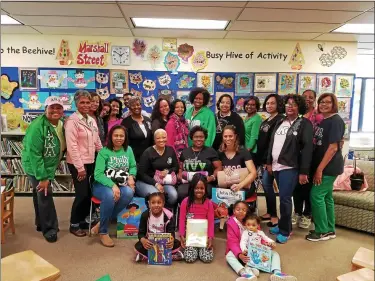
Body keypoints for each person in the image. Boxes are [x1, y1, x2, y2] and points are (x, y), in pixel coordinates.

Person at [266, 94, 313, 244]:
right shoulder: (280, 121)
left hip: (290, 167)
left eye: (293, 104)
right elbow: (272, 142)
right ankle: (281, 225)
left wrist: (304, 171)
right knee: (282, 197)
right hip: (276, 165)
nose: (290, 107)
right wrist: (269, 162)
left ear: (299, 107)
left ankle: (286, 230)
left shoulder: (304, 123)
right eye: (287, 104)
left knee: (285, 198)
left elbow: (307, 149)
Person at [21, 96, 66, 243]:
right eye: (52, 107)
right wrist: (43, 178)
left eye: (58, 107)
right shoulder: (37, 127)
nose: (55, 110)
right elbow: (35, 155)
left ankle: (41, 224)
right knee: (45, 195)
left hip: (47, 165)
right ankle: (50, 230)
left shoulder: (61, 123)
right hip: (36, 167)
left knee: (39, 195)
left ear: (63, 110)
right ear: (45, 109)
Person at [306, 93, 345, 242]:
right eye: (321, 102)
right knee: (327, 197)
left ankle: (321, 231)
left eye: (327, 102)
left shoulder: (335, 121)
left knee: (316, 195)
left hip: (329, 167)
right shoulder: (324, 120)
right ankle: (330, 229)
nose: (323, 104)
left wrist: (319, 169)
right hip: (325, 166)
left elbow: (333, 148)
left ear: (334, 104)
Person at [226, 201, 297, 281]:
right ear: (234, 211)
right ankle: (245, 274)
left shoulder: (253, 220)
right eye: (238, 209)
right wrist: (239, 254)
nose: (241, 212)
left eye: (244, 210)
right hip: (241, 249)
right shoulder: (231, 223)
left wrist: (268, 244)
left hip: (255, 248)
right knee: (229, 256)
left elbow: (261, 237)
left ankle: (277, 273)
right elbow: (232, 242)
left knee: (275, 254)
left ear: (247, 211)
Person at [90, 125, 136, 247]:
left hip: (121, 183)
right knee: (110, 195)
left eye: (121, 135)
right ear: (110, 137)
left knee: (129, 193)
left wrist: (131, 176)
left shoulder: (128, 150)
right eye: (116, 135)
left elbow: (133, 166)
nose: (119, 138)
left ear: (125, 137)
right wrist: (112, 185)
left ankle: (101, 223)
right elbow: (98, 174)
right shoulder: (103, 152)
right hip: (102, 185)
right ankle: (103, 231)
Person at [65, 90, 103, 237]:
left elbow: (97, 140)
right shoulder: (72, 121)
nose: (86, 105)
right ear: (76, 103)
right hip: (77, 163)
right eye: (82, 102)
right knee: (81, 194)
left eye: (88, 102)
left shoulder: (91, 120)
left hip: (91, 161)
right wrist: (80, 168)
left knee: (89, 194)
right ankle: (74, 224)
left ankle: (82, 221)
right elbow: (72, 146)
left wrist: (105, 155)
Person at [292, 89, 323, 229]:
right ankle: (297, 212)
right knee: (296, 186)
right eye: (305, 97)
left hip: (313, 155)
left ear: (315, 99)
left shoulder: (319, 116)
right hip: (296, 156)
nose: (308, 99)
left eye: (311, 97)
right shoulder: (297, 116)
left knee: (308, 186)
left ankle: (307, 214)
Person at [256, 94, 284, 227]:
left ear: (278, 104)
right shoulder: (266, 120)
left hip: (272, 161)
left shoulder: (280, 120)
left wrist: (269, 162)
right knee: (267, 187)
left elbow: (275, 144)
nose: (269, 105)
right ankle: (269, 211)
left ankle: (274, 216)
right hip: (263, 160)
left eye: (272, 103)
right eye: (267, 103)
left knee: (270, 186)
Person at [136, 129, 179, 209]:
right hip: (147, 182)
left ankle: (164, 211)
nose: (161, 140)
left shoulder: (170, 150)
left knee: (173, 196)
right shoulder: (148, 152)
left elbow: (176, 167)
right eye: (158, 138)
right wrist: (156, 184)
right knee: (156, 196)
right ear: (154, 139)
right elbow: (141, 174)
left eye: (163, 137)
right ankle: (154, 215)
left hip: (164, 182)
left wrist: (167, 171)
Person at [177, 126, 222, 202]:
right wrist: (180, 175)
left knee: (208, 192)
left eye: (201, 137)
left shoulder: (211, 151)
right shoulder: (185, 152)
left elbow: (219, 167)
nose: (199, 139)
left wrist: (212, 177)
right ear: (192, 138)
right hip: (188, 183)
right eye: (196, 137)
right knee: (181, 192)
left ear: (205, 138)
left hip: (205, 183)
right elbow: (180, 168)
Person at [134, 192, 183, 262]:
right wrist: (143, 240)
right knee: (138, 246)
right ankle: (171, 256)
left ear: (163, 203)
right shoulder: (145, 215)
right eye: (153, 203)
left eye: (159, 202)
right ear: (149, 204)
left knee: (177, 243)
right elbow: (140, 233)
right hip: (150, 242)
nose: (156, 205)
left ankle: (146, 257)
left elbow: (171, 233)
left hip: (164, 242)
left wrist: (171, 240)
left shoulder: (169, 216)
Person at [179, 174, 214, 263]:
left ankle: (200, 250)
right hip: (190, 236)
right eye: (196, 188)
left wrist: (210, 237)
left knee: (207, 258)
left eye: (202, 188)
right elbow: (182, 220)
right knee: (189, 258)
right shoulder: (185, 202)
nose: (199, 190)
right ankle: (195, 250)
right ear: (192, 188)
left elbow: (210, 222)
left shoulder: (209, 203)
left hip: (203, 236)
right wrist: (182, 235)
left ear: (205, 189)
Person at [218, 125, 257, 200]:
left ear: (235, 136)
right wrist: (223, 169)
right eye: (225, 136)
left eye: (230, 136)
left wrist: (240, 185)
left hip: (244, 186)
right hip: (227, 186)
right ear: (222, 137)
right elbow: (217, 170)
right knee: (218, 195)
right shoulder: (220, 153)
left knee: (233, 197)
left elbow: (253, 173)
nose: (228, 139)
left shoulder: (243, 151)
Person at [121, 96, 153, 163]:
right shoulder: (126, 122)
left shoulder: (148, 120)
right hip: (134, 158)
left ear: (141, 106)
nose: (136, 107)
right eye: (133, 105)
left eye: (138, 104)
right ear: (129, 108)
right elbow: (124, 142)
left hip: (149, 157)